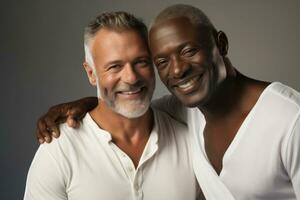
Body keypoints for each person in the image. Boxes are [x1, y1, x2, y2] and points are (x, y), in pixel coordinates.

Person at [36, 4, 300, 200]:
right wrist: (87, 104)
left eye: (189, 51)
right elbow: (129, 106)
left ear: (221, 44)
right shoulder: (187, 112)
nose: (177, 71)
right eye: (162, 62)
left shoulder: (290, 120)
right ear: (92, 73)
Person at [24, 11, 202, 200]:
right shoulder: (60, 151)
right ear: (91, 73)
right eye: (114, 66)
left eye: (141, 62)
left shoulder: (190, 143)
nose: (131, 77)